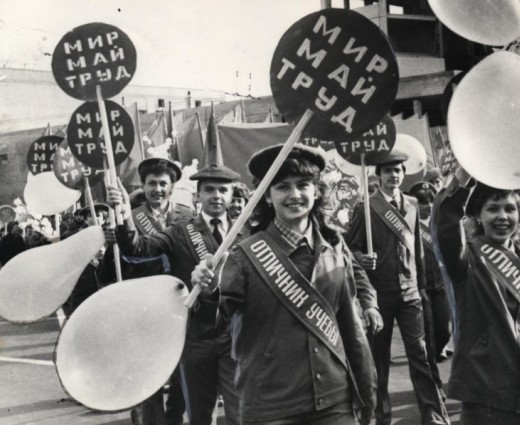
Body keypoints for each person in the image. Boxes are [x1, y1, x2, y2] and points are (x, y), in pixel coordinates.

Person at [192, 144, 376, 425]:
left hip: (334, 401)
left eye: (303, 185)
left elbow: (352, 330)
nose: (294, 195)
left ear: (316, 191)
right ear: (266, 195)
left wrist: (367, 393)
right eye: (282, 187)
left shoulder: (335, 249)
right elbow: (212, 327)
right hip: (270, 406)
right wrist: (207, 290)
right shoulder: (243, 256)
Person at [107, 163, 242, 425]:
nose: (216, 196)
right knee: (200, 416)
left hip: (235, 336)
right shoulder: (181, 231)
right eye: (209, 190)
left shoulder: (245, 231)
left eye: (223, 190)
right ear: (198, 196)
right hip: (195, 335)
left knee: (241, 414)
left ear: (231, 195)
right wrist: (124, 212)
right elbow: (139, 247)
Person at [432, 167, 520, 425]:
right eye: (493, 209)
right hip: (487, 400)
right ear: (478, 216)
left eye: (510, 209)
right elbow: (444, 222)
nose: (503, 216)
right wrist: (462, 178)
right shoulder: (465, 257)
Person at [346, 150, 449, 425]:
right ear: (378, 176)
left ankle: (434, 415)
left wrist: (423, 287)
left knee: (421, 355)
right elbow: (350, 249)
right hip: (380, 295)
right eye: (388, 171)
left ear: (404, 174)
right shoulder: (366, 208)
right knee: (379, 361)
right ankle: (381, 417)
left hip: (412, 292)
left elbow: (418, 251)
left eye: (398, 171)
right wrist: (360, 258)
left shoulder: (414, 204)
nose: (394, 175)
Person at [408, 181, 451, 366]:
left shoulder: (440, 223)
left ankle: (430, 357)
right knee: (425, 331)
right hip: (419, 287)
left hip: (440, 285)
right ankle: (428, 369)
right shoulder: (407, 225)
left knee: (444, 329)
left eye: (431, 201)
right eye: (423, 202)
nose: (429, 206)